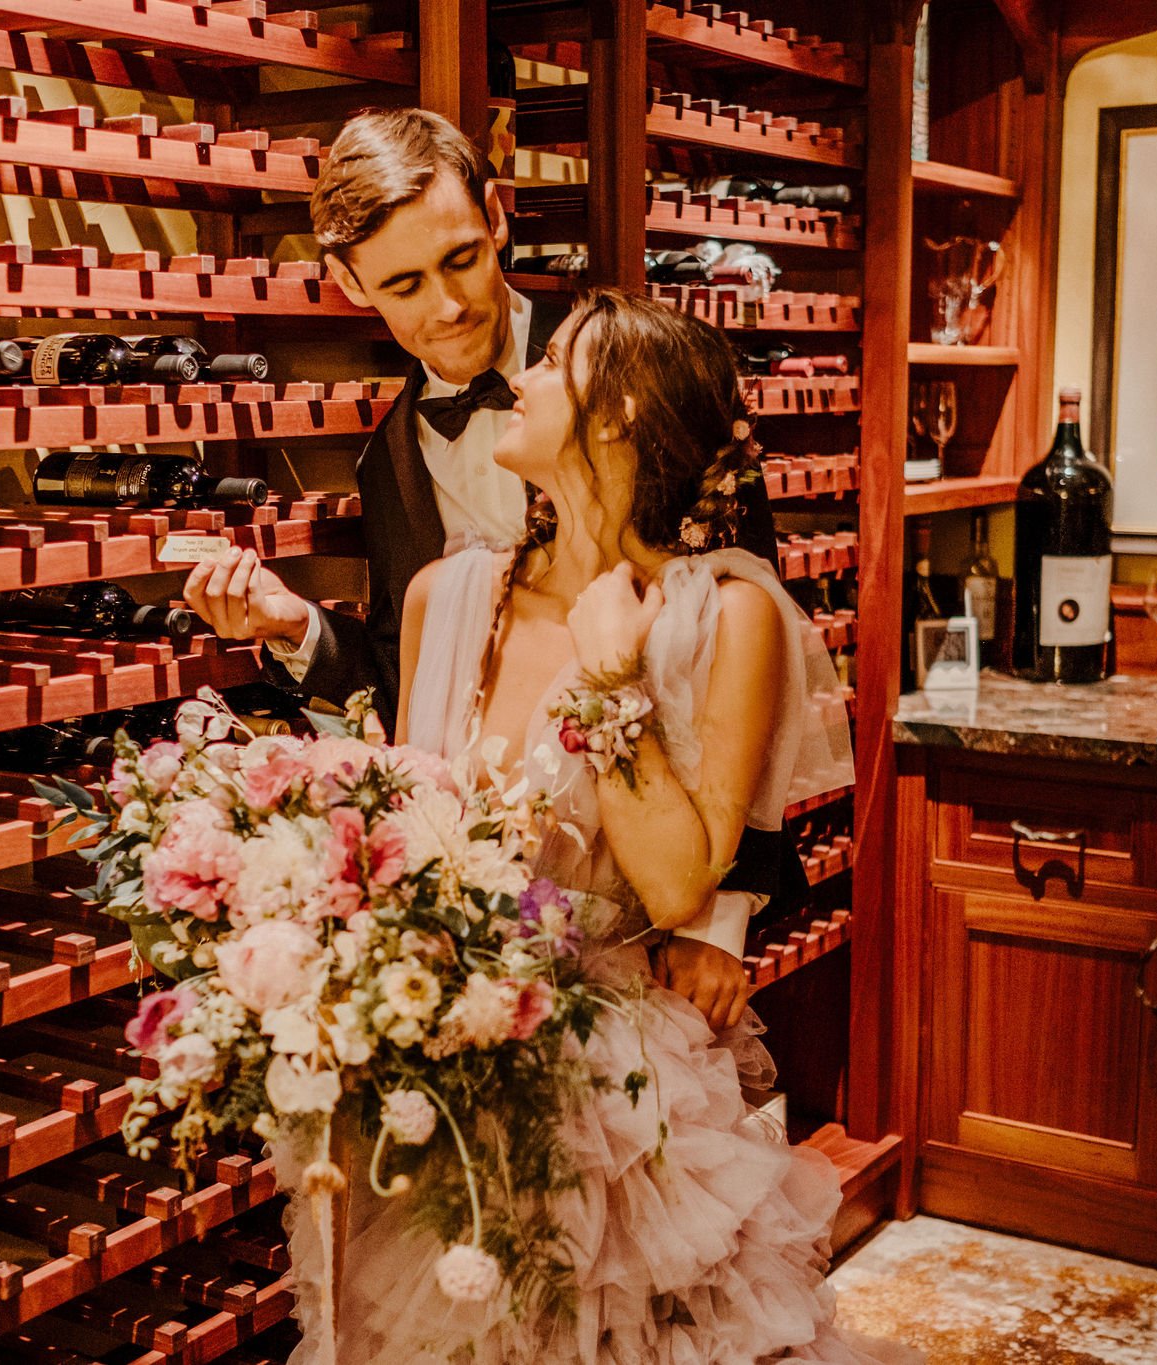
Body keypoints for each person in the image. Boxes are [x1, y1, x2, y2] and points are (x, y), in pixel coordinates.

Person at [281, 289, 921, 1364]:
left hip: (615, 1086)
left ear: (617, 414)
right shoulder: (446, 596)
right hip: (440, 1068)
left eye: (553, 365)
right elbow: (403, 823)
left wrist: (612, 675)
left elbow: (675, 887)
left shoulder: (727, 615)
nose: (520, 377)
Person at [181, 108, 782, 1033]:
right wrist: (294, 626)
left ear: (497, 215)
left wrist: (717, 916)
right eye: (404, 284)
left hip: (655, 922)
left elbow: (743, 640)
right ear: (348, 283)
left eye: (461, 258)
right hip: (486, 953)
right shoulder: (387, 461)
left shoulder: (630, 369)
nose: (448, 306)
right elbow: (413, 684)